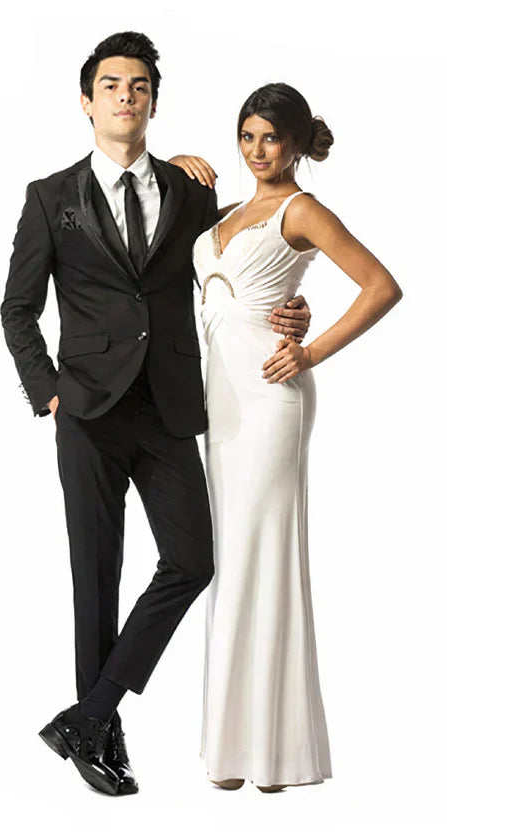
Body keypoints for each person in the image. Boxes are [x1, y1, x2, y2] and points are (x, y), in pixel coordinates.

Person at [0, 34, 311, 796]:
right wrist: (49, 392)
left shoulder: (190, 192)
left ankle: (87, 715)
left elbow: (244, 251)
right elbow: (16, 310)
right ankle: (102, 739)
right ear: (87, 101)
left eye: (139, 87)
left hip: (170, 408)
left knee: (193, 560)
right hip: (87, 412)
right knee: (95, 576)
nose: (125, 97)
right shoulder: (49, 197)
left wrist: (291, 305)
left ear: (153, 103)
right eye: (111, 85)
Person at [185, 82, 403, 792]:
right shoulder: (224, 213)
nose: (257, 150)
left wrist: (309, 352)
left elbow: (380, 286)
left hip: (271, 399)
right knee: (229, 560)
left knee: (265, 557)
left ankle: (272, 757)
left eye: (271, 138)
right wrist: (179, 164)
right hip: (220, 405)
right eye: (247, 136)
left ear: (297, 143)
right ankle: (233, 749)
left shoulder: (301, 210)